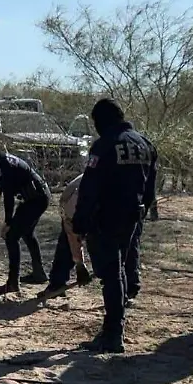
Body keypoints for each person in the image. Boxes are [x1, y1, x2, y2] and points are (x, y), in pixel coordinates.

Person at [72, 99, 158, 353]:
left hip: (106, 216)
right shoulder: (144, 143)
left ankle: (113, 333)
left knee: (111, 274)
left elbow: (90, 186)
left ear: (100, 120)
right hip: (133, 215)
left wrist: (80, 220)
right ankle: (115, 327)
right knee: (121, 268)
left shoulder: (105, 144)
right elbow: (151, 186)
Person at [0, 150, 51, 293]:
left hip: (36, 199)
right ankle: (39, 273)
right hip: (38, 196)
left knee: (11, 236)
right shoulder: (3, 159)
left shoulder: (5, 165)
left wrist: (8, 222)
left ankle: (13, 282)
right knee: (27, 233)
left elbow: (8, 197)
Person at [36, 173, 93, 299]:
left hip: (113, 208)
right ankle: (57, 284)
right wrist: (80, 265)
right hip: (75, 207)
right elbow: (73, 238)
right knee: (65, 245)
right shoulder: (71, 207)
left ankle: (123, 289)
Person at [124, 130, 159, 306]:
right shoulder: (146, 144)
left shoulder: (107, 143)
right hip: (137, 206)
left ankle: (123, 291)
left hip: (113, 208)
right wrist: (146, 204)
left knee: (117, 252)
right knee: (133, 246)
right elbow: (151, 182)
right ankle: (131, 288)